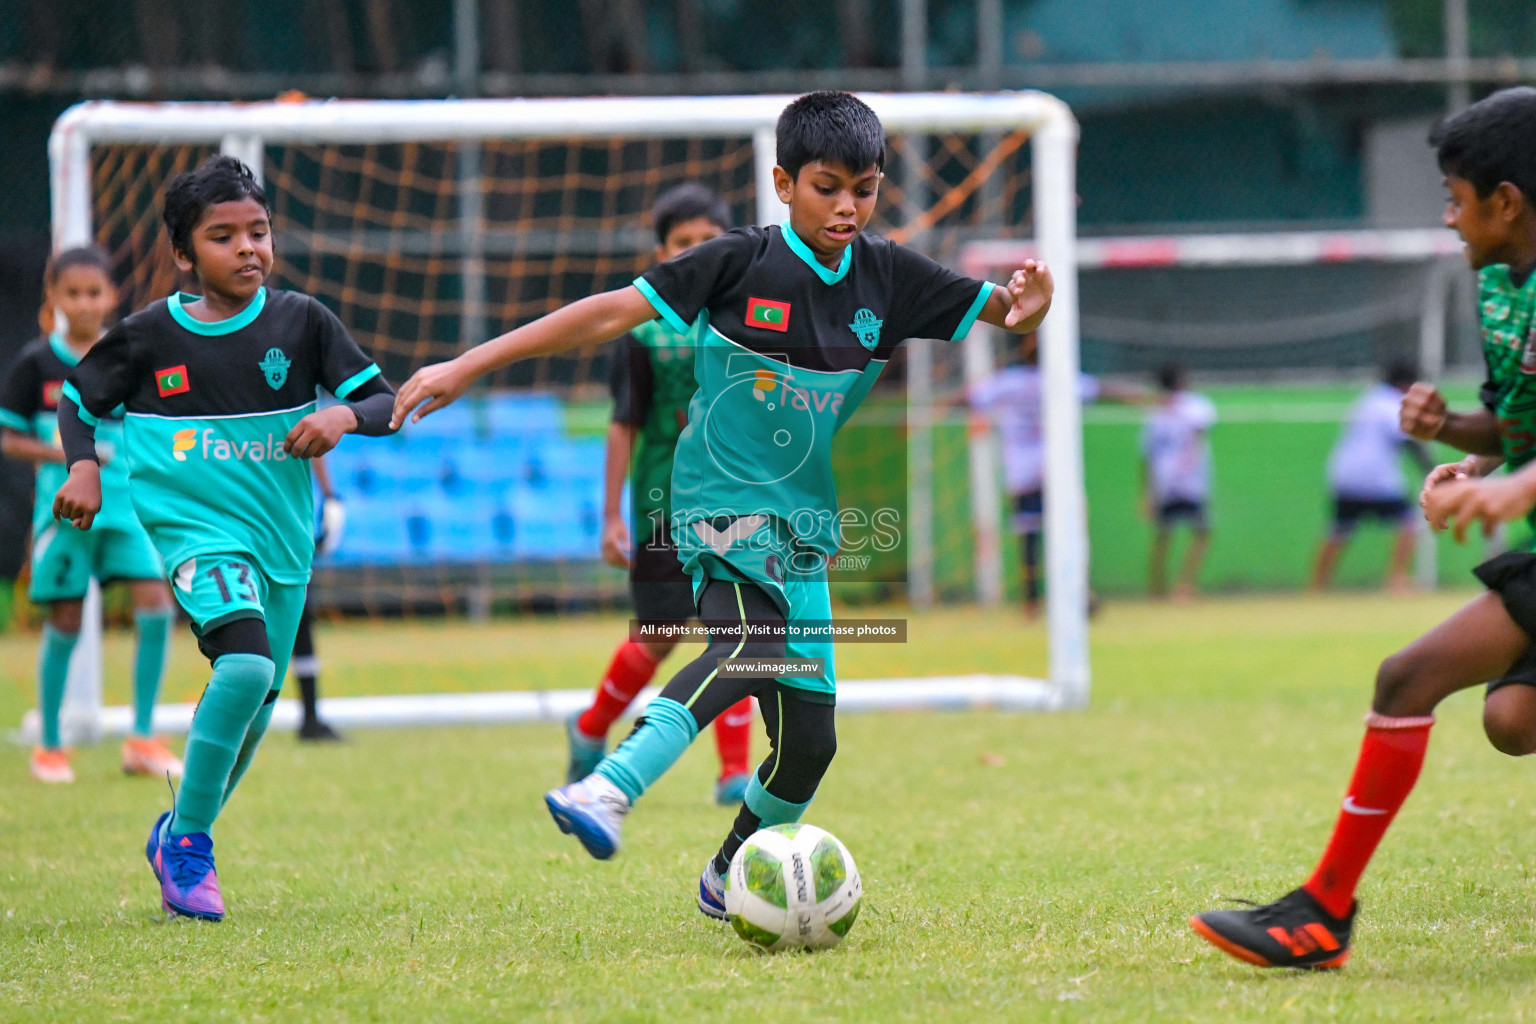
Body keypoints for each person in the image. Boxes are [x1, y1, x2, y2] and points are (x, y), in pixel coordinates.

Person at [392, 91, 1053, 920]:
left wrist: (1030, 303)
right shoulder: (736, 263)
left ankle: (728, 877)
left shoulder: (891, 278)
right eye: (826, 186)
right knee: (752, 644)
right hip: (714, 507)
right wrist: (469, 364)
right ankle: (608, 787)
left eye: (866, 187)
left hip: (802, 528)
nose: (847, 205)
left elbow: (1002, 307)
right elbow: (606, 314)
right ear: (782, 183)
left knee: (811, 746)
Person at [1190, 86, 1536, 969]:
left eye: (1457, 198)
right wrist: (1458, 440)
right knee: (1513, 718)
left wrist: (1512, 493)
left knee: (1407, 677)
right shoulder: (1502, 292)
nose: (1448, 218)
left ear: (1507, 203)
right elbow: (1517, 425)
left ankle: (1321, 914)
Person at [52, 155, 396, 922]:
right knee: (242, 667)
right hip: (195, 534)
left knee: (257, 702)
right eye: (223, 236)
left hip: (283, 541)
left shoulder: (302, 322)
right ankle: (191, 847)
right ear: (184, 254)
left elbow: (382, 399)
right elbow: (77, 400)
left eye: (259, 231)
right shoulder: (146, 337)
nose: (248, 248)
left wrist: (341, 415)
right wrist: (83, 469)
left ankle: (178, 830)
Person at [569, 183, 754, 804]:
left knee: (739, 634)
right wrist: (610, 516)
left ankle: (734, 773)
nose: (698, 253)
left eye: (709, 242)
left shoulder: (748, 324)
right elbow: (623, 422)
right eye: (684, 243)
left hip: (737, 507)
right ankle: (591, 728)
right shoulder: (644, 331)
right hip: (663, 509)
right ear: (661, 252)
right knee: (658, 635)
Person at [0, 246, 180, 784]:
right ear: (52, 296)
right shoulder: (37, 362)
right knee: (67, 619)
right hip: (66, 512)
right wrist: (66, 456)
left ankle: (142, 737)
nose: (84, 303)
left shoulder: (128, 355)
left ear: (112, 296)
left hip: (127, 509)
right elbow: (8, 437)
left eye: (94, 292)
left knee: (155, 601)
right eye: (72, 292)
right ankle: (50, 746)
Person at [965, 334, 1143, 617]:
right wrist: (1142, 398)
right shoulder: (1058, 379)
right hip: (1053, 471)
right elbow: (1103, 390)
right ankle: (1073, 594)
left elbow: (968, 397)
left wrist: (927, 412)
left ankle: (1035, 602)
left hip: (1024, 473)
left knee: (1031, 539)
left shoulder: (1007, 382)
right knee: (1065, 532)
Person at [1311, 362, 1433, 592]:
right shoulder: (1392, 403)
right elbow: (1408, 442)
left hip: (1344, 474)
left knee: (1338, 528)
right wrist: (1432, 470)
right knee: (1409, 523)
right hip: (1375, 477)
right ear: (1407, 385)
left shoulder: (1368, 399)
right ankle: (1396, 579)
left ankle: (1318, 584)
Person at [1141, 363, 1216, 601]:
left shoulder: (1155, 413)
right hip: (1190, 480)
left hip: (1163, 481)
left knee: (1163, 535)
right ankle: (1184, 585)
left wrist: (1147, 492)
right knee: (1201, 532)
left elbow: (1147, 456)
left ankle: (1158, 589)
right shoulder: (1196, 405)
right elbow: (1199, 434)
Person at [290, 452, 346, 741]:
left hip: (286, 515)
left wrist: (330, 496)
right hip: (260, 511)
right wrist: (330, 494)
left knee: (299, 615)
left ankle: (310, 717)